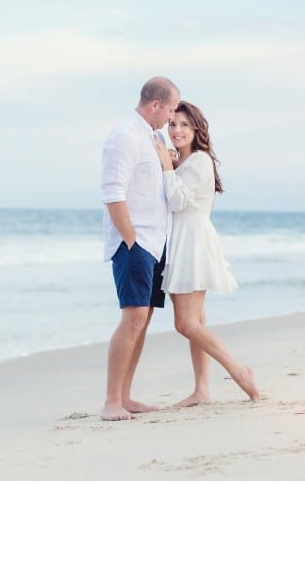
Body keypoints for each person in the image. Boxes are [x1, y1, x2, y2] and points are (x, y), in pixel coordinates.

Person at [152, 101, 260, 404]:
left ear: (197, 129)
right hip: (180, 241)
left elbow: (177, 202)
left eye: (185, 125)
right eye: (172, 124)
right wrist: (171, 167)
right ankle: (202, 390)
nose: (177, 130)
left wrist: (165, 167)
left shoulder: (199, 161)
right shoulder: (183, 163)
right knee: (196, 321)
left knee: (185, 324)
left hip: (193, 241)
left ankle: (240, 373)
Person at [100, 76, 180, 421]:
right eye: (172, 109)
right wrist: (131, 240)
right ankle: (111, 402)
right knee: (132, 319)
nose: (172, 117)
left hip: (154, 243)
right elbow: (113, 195)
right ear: (155, 105)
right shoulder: (124, 137)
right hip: (134, 244)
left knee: (142, 320)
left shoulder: (153, 136)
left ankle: (127, 397)